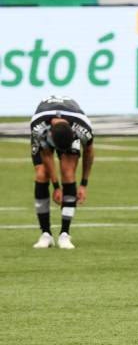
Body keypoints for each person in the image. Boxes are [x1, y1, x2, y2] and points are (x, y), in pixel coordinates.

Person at [30, 96, 95, 249]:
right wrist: (56, 186)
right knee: (41, 174)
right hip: (46, 127)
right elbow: (46, 155)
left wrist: (84, 184)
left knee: (68, 171)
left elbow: (89, 152)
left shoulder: (83, 129)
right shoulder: (39, 128)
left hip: (70, 123)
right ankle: (45, 234)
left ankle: (65, 234)